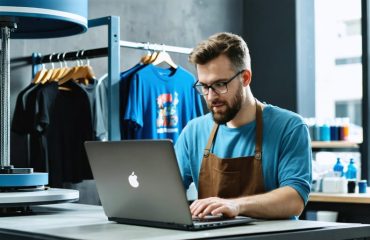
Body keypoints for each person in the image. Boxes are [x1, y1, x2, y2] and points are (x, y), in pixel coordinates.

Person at [174, 32, 312, 220]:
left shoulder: (289, 127)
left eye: (220, 84)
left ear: (245, 78)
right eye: (204, 86)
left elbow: (295, 199)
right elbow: (167, 190)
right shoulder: (194, 131)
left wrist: (236, 205)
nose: (211, 96)